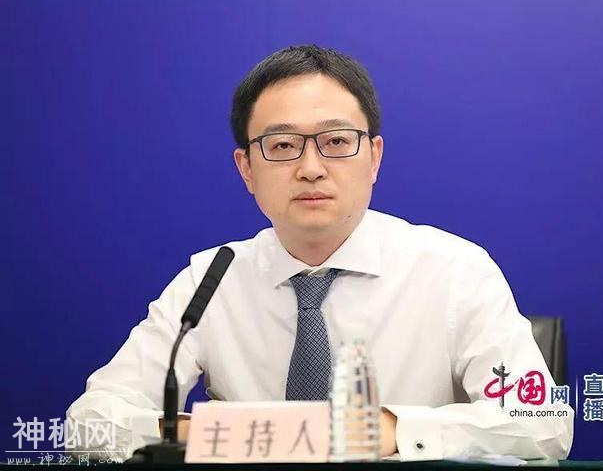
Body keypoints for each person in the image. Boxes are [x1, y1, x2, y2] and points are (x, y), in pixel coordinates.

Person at [66, 45, 573, 461]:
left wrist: (389, 430)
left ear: (373, 158)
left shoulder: (455, 271)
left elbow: (542, 423)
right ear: (247, 169)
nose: (311, 168)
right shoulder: (212, 279)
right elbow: (90, 423)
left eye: (335, 141)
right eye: (283, 146)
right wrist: (223, 435)